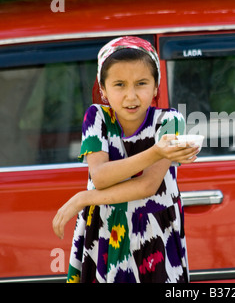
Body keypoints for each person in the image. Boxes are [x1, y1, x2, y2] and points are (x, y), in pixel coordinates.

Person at [52, 36, 199, 283]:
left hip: (155, 234)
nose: (131, 96)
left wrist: (84, 198)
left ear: (155, 87)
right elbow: (100, 177)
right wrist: (157, 151)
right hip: (104, 231)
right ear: (103, 89)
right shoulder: (96, 117)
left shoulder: (169, 121)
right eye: (119, 84)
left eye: (141, 83)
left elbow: (147, 186)